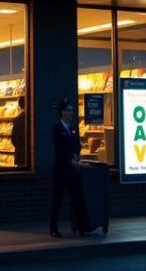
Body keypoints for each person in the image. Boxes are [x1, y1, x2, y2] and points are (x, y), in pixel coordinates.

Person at [50, 100, 88, 237]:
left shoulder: (73, 129)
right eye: (69, 111)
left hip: (73, 171)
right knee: (57, 199)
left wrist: (77, 158)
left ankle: (82, 226)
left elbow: (77, 146)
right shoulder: (57, 129)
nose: (72, 113)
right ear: (62, 113)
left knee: (78, 198)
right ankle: (53, 228)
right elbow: (60, 150)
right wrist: (70, 161)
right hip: (61, 171)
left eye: (72, 111)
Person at [11, 96, 27, 168]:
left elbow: (13, 138)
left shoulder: (17, 119)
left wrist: (19, 147)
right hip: (29, 156)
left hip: (19, 155)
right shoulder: (31, 118)